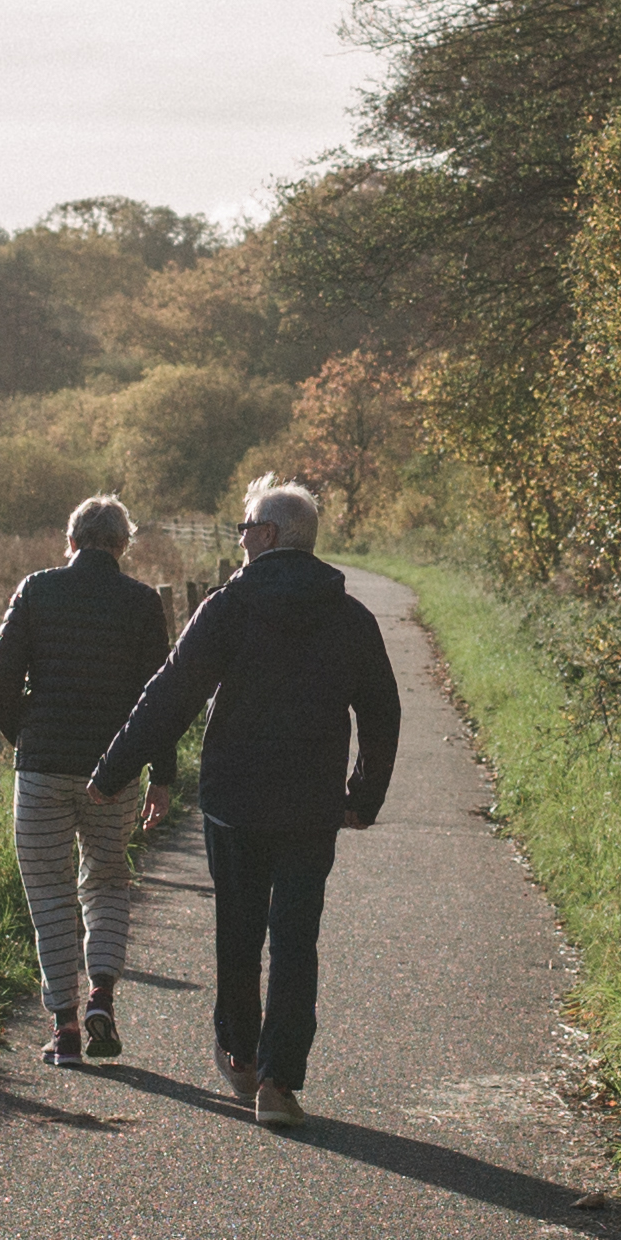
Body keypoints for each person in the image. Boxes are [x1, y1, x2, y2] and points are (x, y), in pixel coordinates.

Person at [91, 478, 396, 1123]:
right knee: (295, 938)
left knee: (239, 929)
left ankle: (240, 1055)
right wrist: (362, 795)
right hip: (311, 804)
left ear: (267, 535)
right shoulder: (348, 616)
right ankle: (279, 1085)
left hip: (235, 800)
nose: (239, 535)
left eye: (244, 525)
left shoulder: (229, 608)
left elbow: (171, 693)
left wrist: (113, 769)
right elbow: (382, 711)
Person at [0, 494, 176, 1057]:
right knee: (109, 881)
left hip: (42, 768)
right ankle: (102, 999)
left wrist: (24, 734)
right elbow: (158, 698)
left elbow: (0, 678)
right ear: (122, 545)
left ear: (70, 542)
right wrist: (160, 777)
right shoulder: (142, 603)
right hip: (111, 771)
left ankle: (64, 1028)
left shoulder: (36, 589)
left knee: (48, 893)